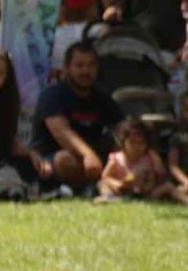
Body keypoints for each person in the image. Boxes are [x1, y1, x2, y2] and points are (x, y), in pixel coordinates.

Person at [30, 41, 125, 193]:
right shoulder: (52, 95)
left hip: (92, 158)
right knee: (65, 159)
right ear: (67, 68)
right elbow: (62, 132)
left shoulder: (101, 95)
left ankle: (102, 185)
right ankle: (94, 187)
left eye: (90, 66)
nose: (85, 71)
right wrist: (88, 155)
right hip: (51, 160)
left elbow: (122, 126)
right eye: (79, 65)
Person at [0, 52, 50, 197]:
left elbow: (7, 144)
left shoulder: (5, 104)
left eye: (1, 73)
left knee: (29, 167)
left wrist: (31, 154)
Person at [97, 117, 181, 203]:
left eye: (141, 143)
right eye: (132, 143)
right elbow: (105, 177)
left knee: (168, 186)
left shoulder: (148, 159)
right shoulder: (116, 158)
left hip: (145, 193)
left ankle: (187, 200)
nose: (137, 147)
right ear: (123, 142)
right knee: (102, 184)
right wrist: (119, 184)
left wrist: (146, 187)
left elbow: (155, 177)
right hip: (122, 190)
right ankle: (109, 197)